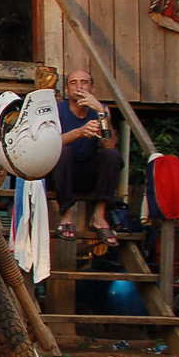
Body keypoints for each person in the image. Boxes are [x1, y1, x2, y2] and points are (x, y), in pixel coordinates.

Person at [50, 69, 121, 244]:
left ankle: (99, 216)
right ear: (67, 89)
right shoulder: (57, 110)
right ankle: (66, 216)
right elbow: (49, 145)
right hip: (60, 173)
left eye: (84, 82)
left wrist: (101, 112)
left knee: (111, 155)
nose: (79, 87)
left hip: (87, 175)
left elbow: (109, 145)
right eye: (73, 83)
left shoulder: (100, 110)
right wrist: (79, 132)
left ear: (92, 88)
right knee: (63, 150)